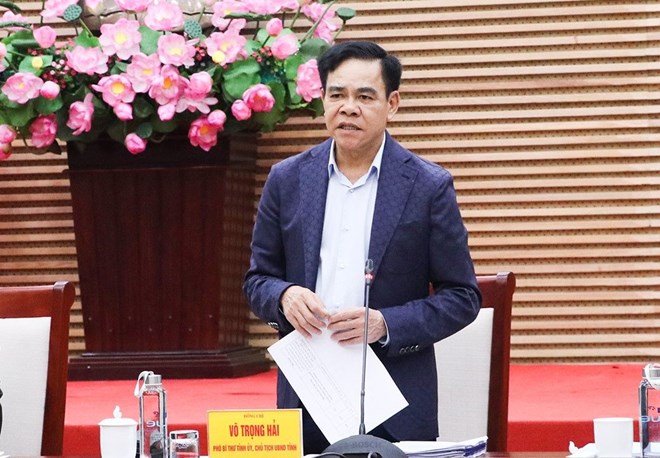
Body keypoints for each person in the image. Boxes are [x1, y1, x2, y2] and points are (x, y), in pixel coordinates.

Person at [243, 40, 481, 454]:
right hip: (307, 393)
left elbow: (462, 297)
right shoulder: (287, 180)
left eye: (365, 97)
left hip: (396, 399)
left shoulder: (427, 187)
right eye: (337, 95)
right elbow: (257, 280)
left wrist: (386, 324)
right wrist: (284, 296)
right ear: (322, 100)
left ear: (392, 104)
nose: (348, 108)